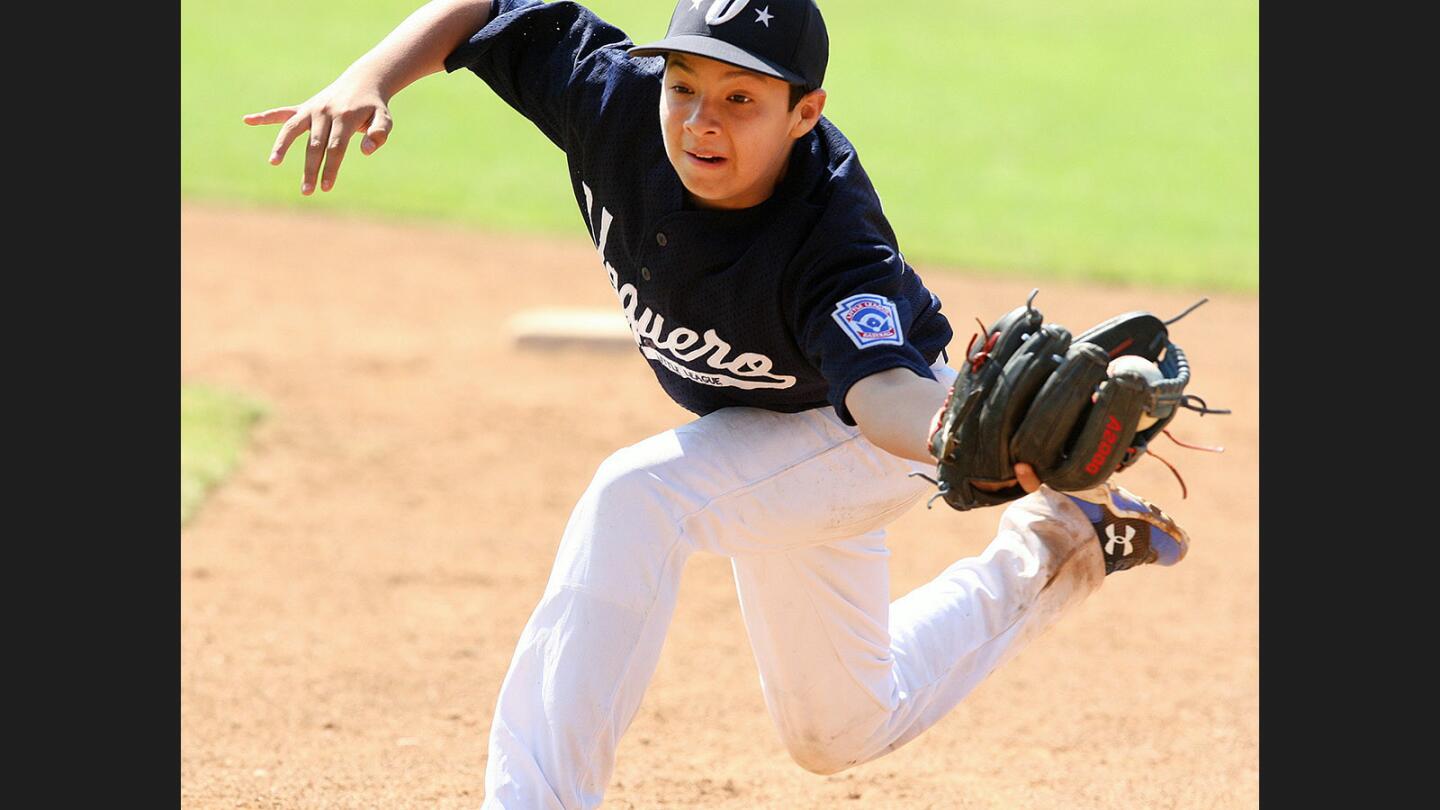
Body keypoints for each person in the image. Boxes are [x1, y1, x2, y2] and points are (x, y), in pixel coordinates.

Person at [244, 1, 1190, 807]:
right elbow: (491, 7)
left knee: (637, 496)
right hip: (764, 440)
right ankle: (1054, 548)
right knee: (836, 731)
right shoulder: (613, 102)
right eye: (685, 84)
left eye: (742, 98)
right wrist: (366, 77)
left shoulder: (834, 233)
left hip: (864, 436)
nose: (701, 118)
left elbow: (883, 393)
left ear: (804, 112)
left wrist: (957, 436)